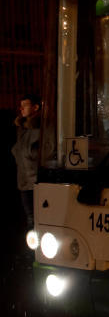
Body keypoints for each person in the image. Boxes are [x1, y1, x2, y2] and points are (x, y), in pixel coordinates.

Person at [11, 93, 41, 230]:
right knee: (30, 220)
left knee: (39, 219)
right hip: (24, 182)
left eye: (25, 105)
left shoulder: (41, 127)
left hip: (36, 181)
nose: (21, 109)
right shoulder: (21, 129)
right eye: (21, 106)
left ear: (35, 107)